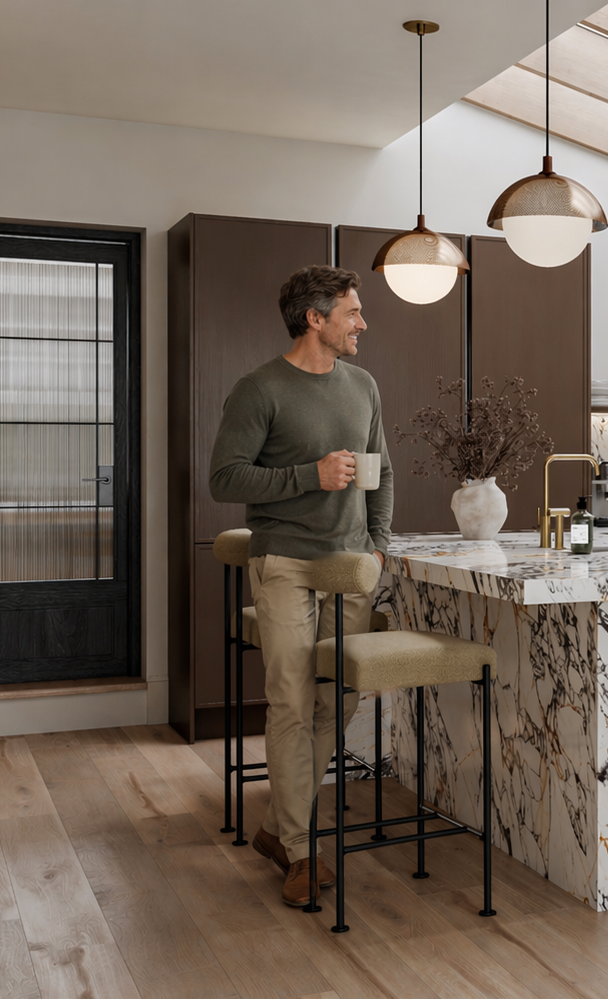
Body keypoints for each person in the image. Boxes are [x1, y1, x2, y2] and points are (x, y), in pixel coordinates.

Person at [209, 265, 394, 906]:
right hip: (285, 562)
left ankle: (276, 829)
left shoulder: (363, 386)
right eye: (352, 313)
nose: (362, 323)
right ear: (315, 319)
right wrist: (308, 476)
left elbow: (380, 472)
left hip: (349, 568)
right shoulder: (259, 390)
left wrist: (378, 542)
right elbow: (226, 481)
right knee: (290, 703)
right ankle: (299, 849)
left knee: (334, 704)